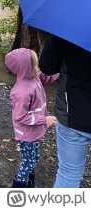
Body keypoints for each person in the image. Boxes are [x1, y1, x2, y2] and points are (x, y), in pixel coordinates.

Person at [40, 33, 91, 188]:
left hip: (74, 113)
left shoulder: (67, 24)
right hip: (73, 113)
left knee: (68, 175)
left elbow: (47, 67)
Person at [5, 48, 59, 188]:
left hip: (34, 132)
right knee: (28, 162)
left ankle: (30, 184)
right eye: (35, 65)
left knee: (33, 159)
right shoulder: (21, 92)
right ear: (25, 68)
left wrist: (60, 72)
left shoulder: (35, 77)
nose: (38, 67)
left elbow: (46, 77)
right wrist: (44, 120)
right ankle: (19, 189)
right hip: (27, 134)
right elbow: (20, 116)